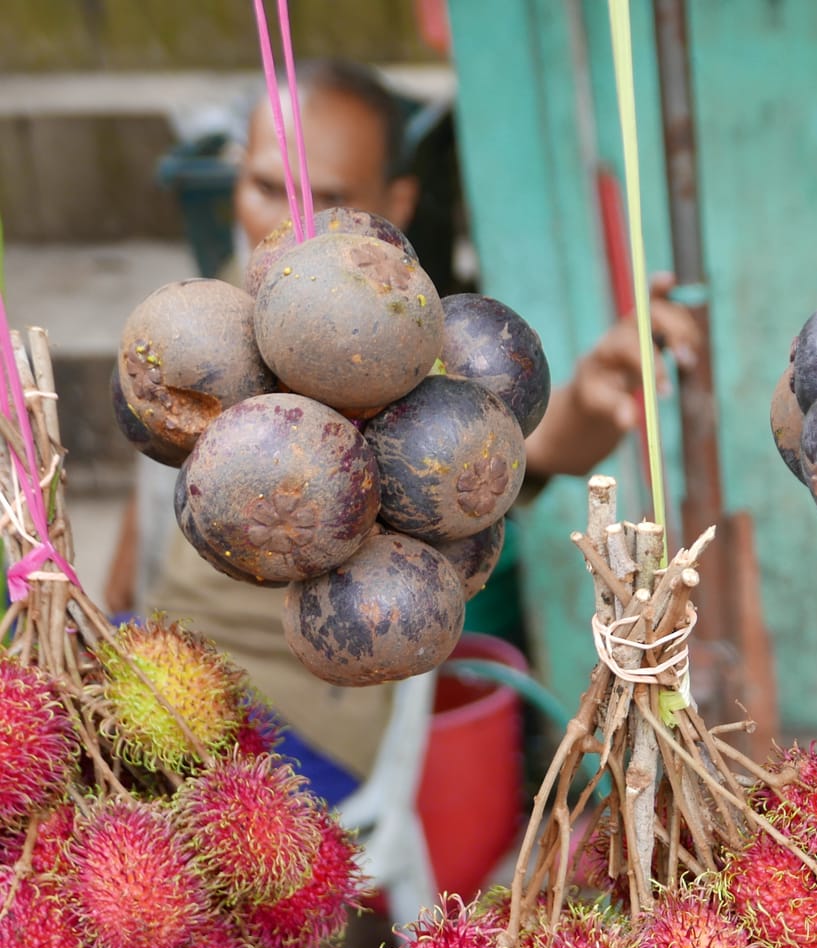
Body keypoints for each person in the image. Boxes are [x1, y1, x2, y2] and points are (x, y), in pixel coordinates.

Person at [105, 59, 699, 803]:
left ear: (396, 203)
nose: (295, 219)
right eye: (265, 185)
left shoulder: (410, 358)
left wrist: (590, 393)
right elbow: (152, 480)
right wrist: (108, 617)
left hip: (300, 717)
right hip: (162, 654)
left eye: (331, 197)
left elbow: (517, 451)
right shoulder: (220, 304)